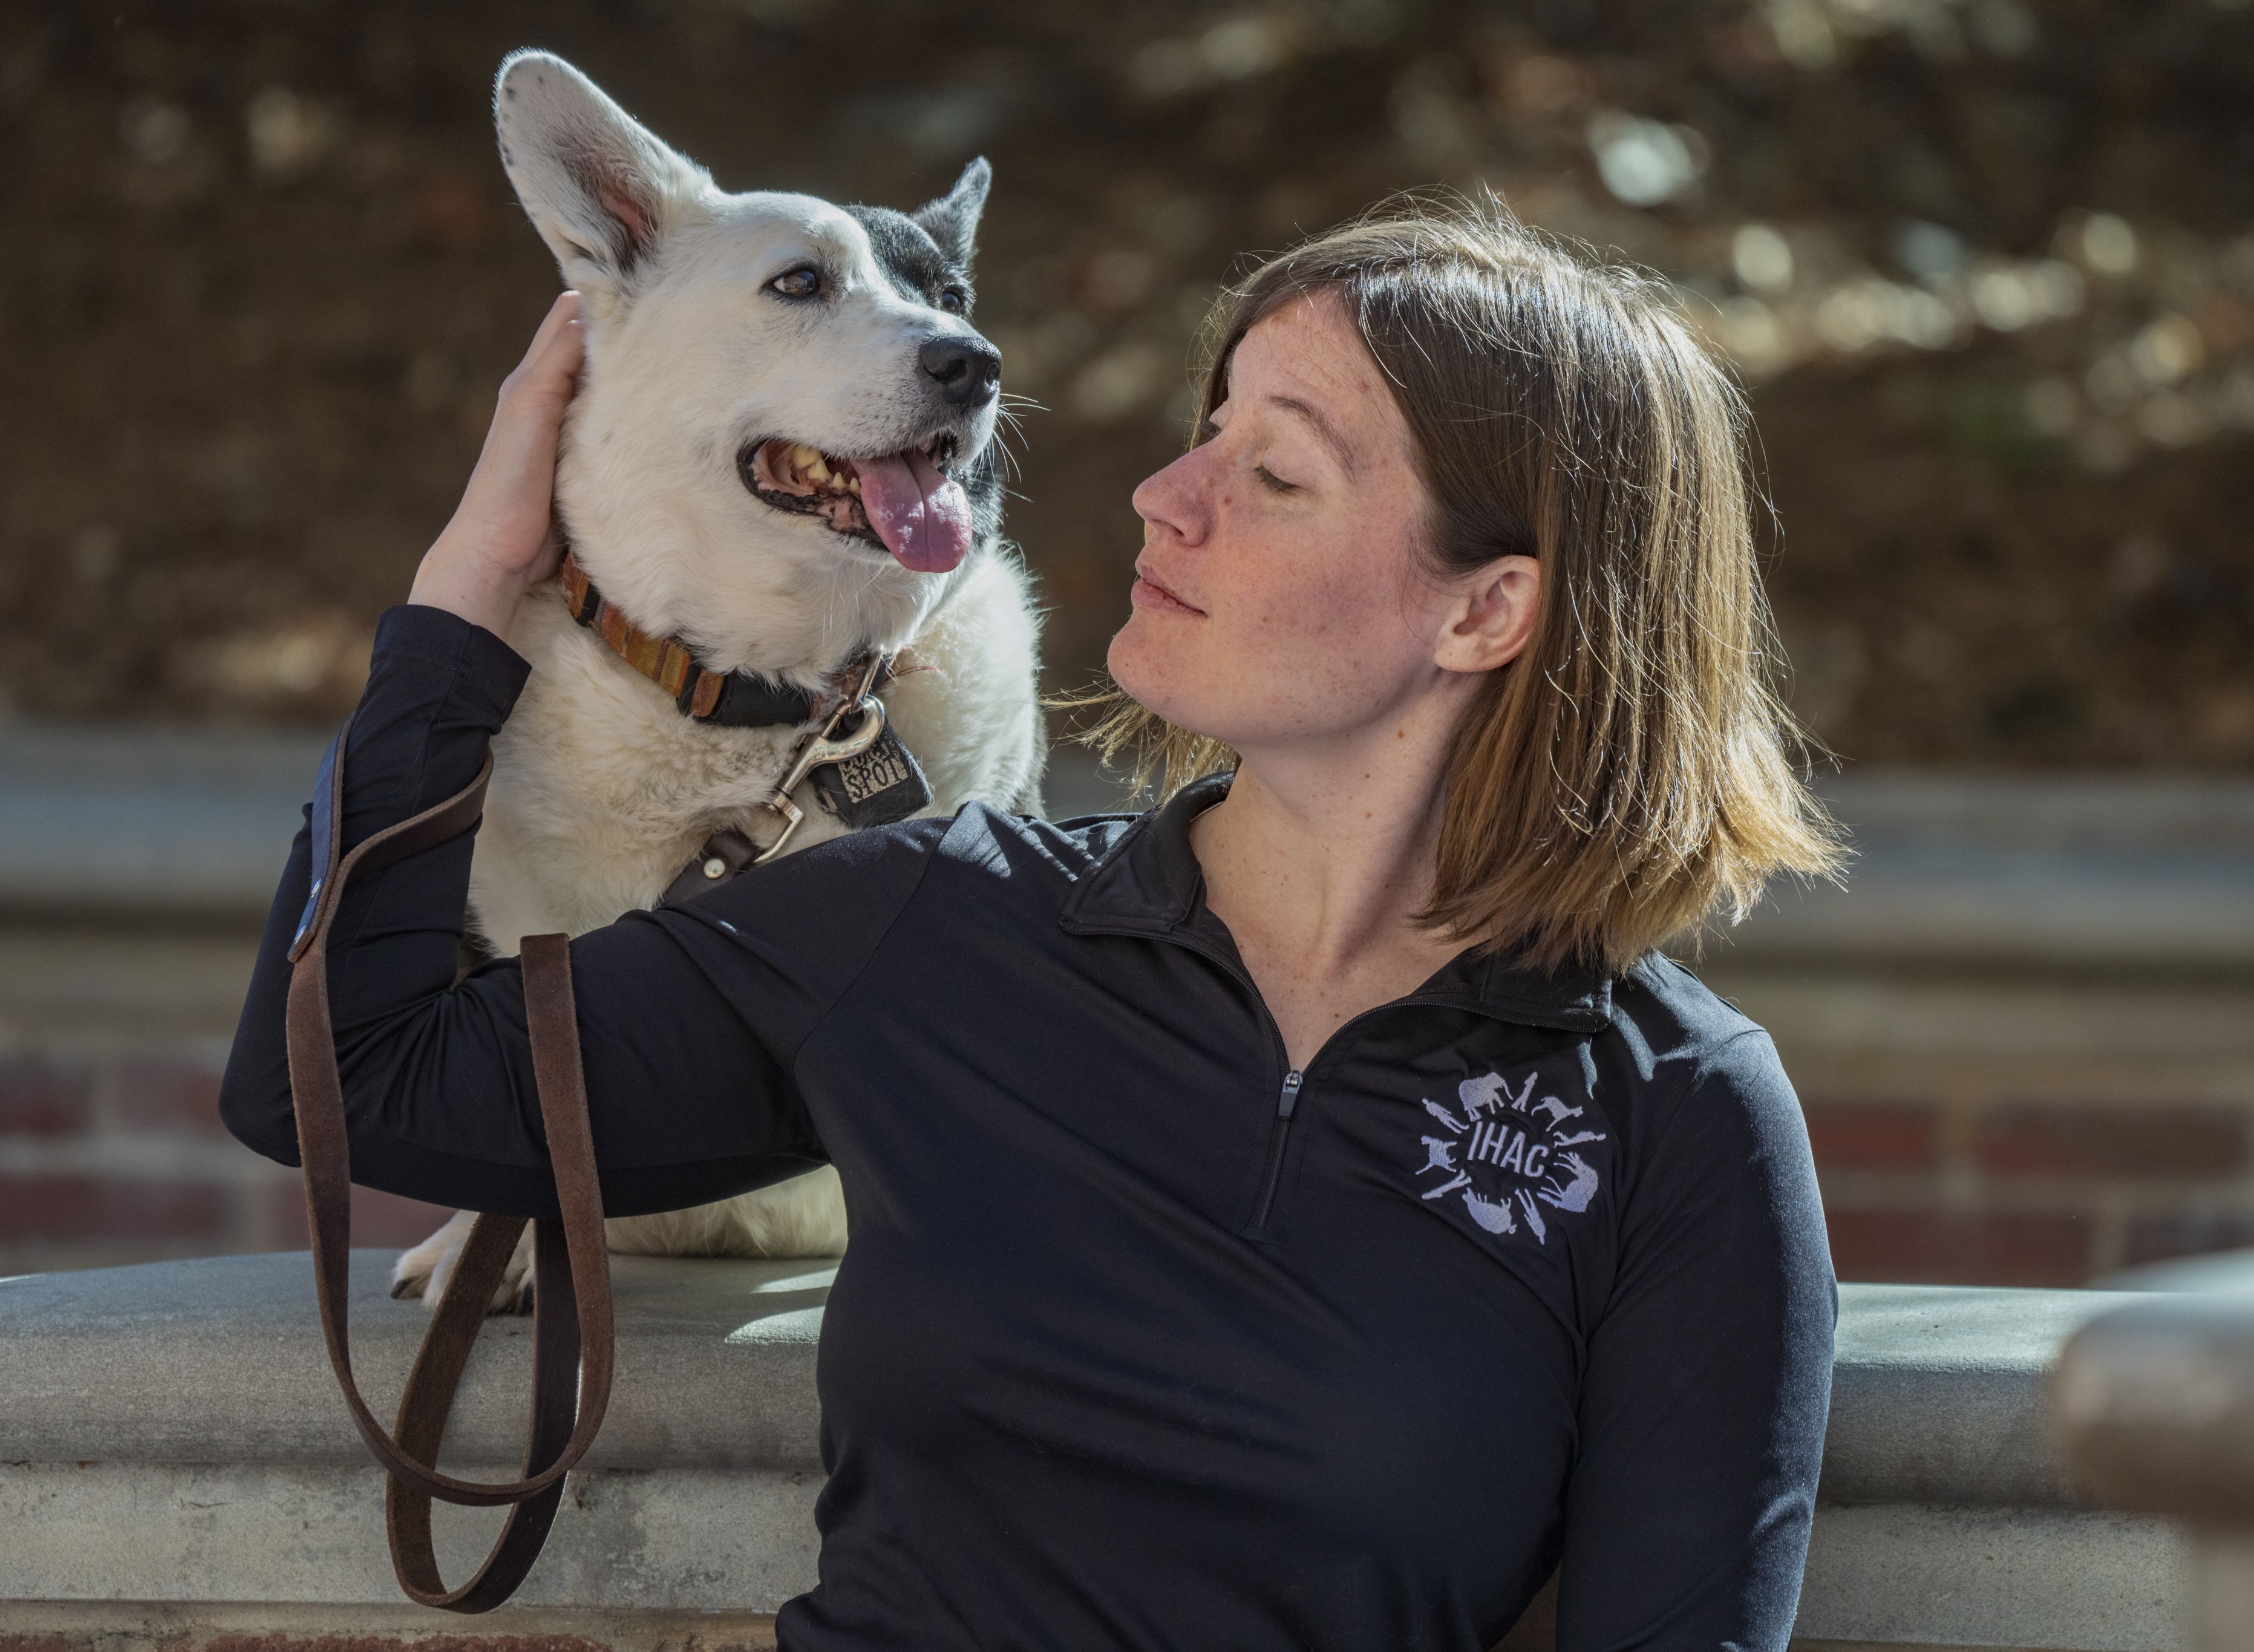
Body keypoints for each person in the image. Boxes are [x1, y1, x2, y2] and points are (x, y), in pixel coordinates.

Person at [223, 199, 1843, 1651]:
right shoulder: (931, 920)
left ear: (1487, 608)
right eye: (1205, 432)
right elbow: (340, 1078)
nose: (1164, 496)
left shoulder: (1675, 1115)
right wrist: (476, 582)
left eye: (1276, 473)